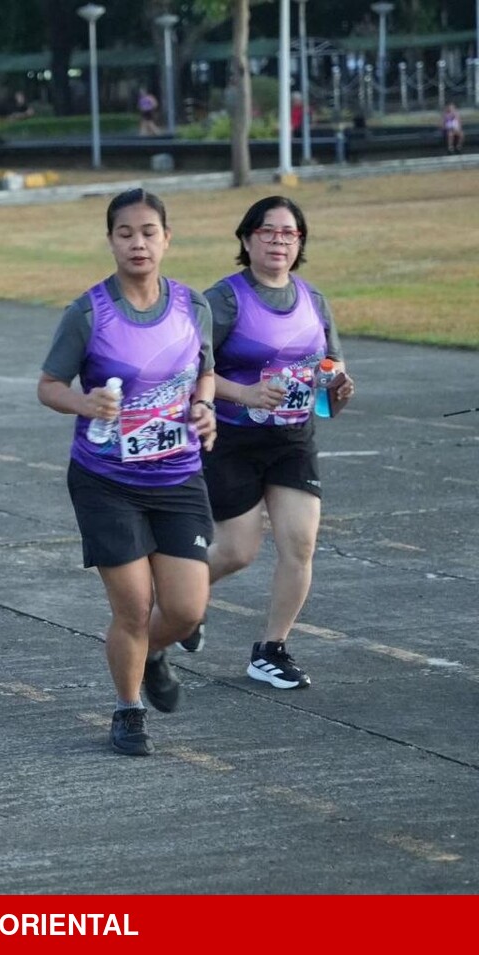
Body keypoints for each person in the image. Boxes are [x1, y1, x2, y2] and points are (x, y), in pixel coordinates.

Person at [37, 188, 217, 757]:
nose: (137, 243)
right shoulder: (89, 312)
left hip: (179, 474)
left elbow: (204, 372)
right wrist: (84, 404)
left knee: (186, 611)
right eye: (125, 233)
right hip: (106, 480)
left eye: (148, 232)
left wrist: (205, 405)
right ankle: (128, 708)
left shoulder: (194, 306)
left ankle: (153, 653)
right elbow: (48, 388)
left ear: (167, 238)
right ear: (110, 240)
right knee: (134, 607)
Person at [180, 196, 355, 691]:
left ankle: (270, 649)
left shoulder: (314, 301)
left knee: (300, 545)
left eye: (289, 234)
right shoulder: (224, 300)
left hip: (293, 439)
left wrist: (338, 390)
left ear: (299, 243)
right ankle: (181, 604)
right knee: (236, 552)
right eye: (269, 232)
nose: (279, 241)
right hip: (233, 439)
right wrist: (246, 392)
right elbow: (191, 372)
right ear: (246, 239)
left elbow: (329, 379)